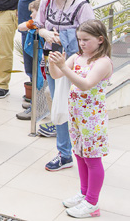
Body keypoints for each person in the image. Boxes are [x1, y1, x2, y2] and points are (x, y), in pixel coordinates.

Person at [48, 19, 112, 219]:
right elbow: (57, 74)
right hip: (76, 116)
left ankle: (92, 202)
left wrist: (64, 67)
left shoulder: (103, 62)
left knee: (92, 159)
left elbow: (86, 84)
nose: (82, 43)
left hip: (93, 118)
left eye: (86, 40)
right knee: (80, 155)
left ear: (100, 39)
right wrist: (52, 62)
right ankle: (84, 194)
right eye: (79, 40)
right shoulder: (77, 57)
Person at [35, 0, 94, 172]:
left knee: (76, 107)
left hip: (75, 63)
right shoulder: (46, 2)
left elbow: (91, 33)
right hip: (53, 59)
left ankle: (83, 150)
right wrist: (46, 34)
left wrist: (64, 36)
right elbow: (39, 25)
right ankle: (65, 153)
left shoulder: (80, 5)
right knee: (58, 104)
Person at [15, 0, 49, 120]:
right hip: (29, 31)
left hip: (33, 34)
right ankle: (35, 103)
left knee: (35, 69)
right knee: (32, 68)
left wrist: (31, 24)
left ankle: (37, 107)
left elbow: (40, 5)